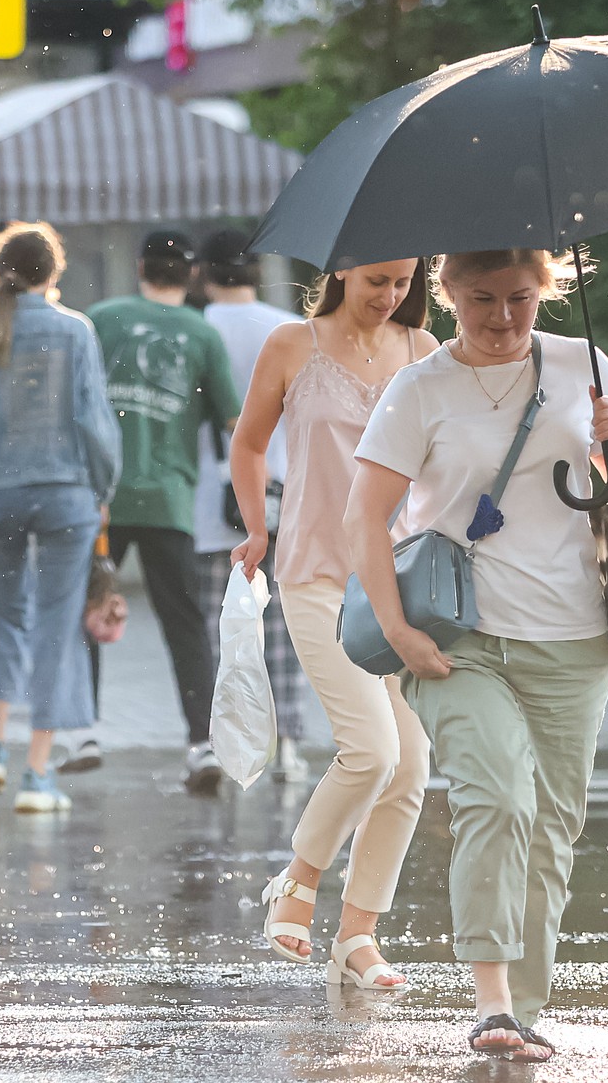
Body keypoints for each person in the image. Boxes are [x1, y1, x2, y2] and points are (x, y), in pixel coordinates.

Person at [344, 249, 608, 1059]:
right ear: (447, 293)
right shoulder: (419, 389)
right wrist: (399, 630)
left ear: (544, 291)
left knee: (552, 827)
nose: (503, 317)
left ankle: (522, 1010)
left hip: (574, 637)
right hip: (458, 637)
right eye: (482, 299)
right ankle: (489, 1004)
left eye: (521, 298)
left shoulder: (582, 362)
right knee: (497, 799)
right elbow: (364, 517)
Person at [230, 257, 439, 991]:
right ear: (344, 269)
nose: (391, 296)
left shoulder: (424, 353)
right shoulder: (292, 345)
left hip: (396, 583)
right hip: (315, 574)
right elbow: (250, 442)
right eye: (377, 280)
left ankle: (357, 936)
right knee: (371, 751)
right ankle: (297, 882)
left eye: (404, 283)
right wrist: (257, 527)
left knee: (411, 767)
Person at [0, 221, 121, 814]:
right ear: (54, 273)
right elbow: (93, 421)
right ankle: (37, 776)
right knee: (55, 626)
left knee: (6, 619)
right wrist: (103, 487)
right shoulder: (75, 331)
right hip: (67, 493)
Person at [88, 231, 242, 794]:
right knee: (184, 624)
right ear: (192, 273)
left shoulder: (101, 319)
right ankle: (200, 745)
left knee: (87, 608)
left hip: (102, 495)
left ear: (140, 267)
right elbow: (234, 421)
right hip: (170, 500)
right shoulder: (202, 333)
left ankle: (83, 731)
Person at [191, 229, 310, 784]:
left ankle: (227, 744)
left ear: (204, 272)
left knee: (223, 628)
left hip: (209, 502)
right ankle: (287, 743)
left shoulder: (198, 329)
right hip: (285, 494)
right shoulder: (285, 329)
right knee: (283, 629)